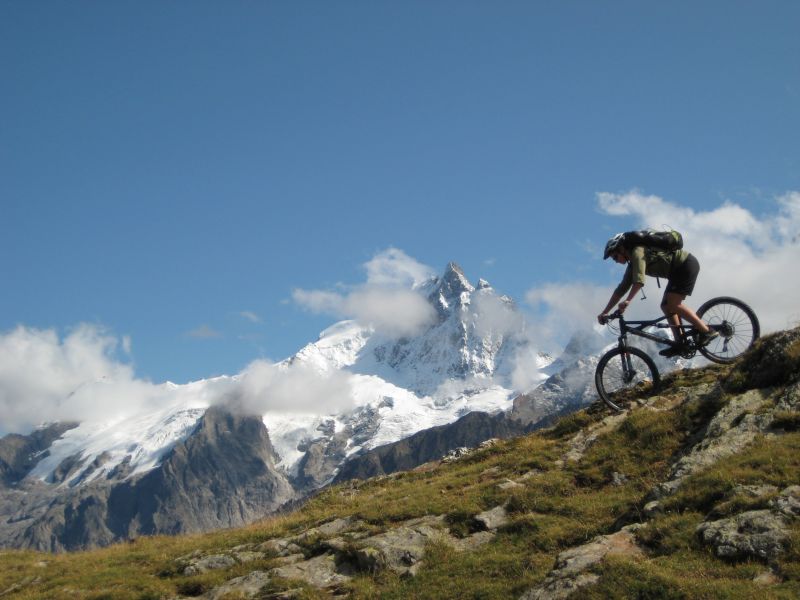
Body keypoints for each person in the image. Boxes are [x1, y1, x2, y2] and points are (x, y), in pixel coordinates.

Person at [597, 233, 718, 357]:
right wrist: (605, 312)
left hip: (685, 265)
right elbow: (620, 290)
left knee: (673, 304)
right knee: (665, 306)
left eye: (615, 257)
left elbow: (639, 281)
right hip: (677, 272)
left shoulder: (638, 252)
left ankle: (707, 331)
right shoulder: (632, 264)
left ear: (622, 249)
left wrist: (628, 301)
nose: (616, 261)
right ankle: (680, 343)